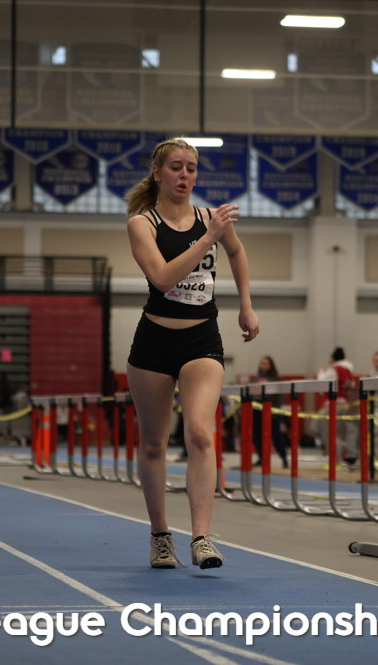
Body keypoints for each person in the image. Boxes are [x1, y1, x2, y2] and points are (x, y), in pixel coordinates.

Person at [124, 137, 259, 570]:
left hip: (201, 339)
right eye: (176, 167)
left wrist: (246, 304)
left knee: (200, 432)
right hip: (154, 342)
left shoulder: (209, 218)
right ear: (157, 173)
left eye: (192, 168)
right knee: (153, 443)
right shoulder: (142, 224)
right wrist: (208, 238)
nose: (185, 175)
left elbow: (236, 251)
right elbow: (163, 279)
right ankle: (161, 536)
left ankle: (202, 537)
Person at [252, 355, 289, 469]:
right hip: (257, 410)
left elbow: (280, 396)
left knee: (276, 436)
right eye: (262, 363)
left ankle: (284, 458)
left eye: (265, 363)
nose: (263, 365)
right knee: (257, 436)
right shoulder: (255, 379)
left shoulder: (276, 380)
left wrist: (275, 410)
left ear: (271, 365)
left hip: (271, 410)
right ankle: (261, 458)